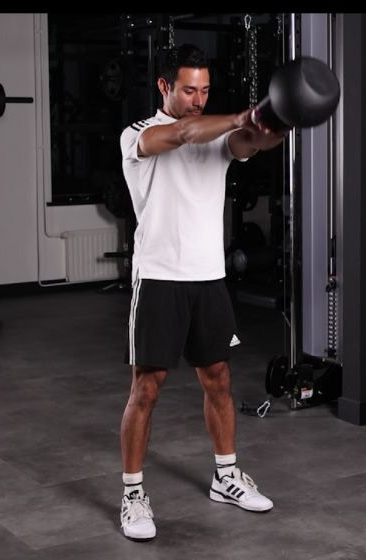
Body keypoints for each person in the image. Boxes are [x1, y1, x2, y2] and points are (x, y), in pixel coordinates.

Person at [117, 43, 288, 542]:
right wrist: (239, 115)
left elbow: (252, 142)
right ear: (164, 86)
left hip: (208, 278)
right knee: (146, 388)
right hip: (158, 277)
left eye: (206, 90)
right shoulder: (138, 135)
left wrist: (281, 119)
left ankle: (226, 476)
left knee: (218, 380)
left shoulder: (218, 138)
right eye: (190, 90)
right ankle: (132, 494)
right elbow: (183, 133)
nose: (198, 100)